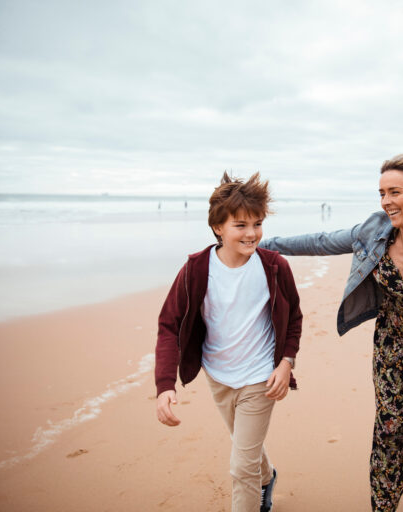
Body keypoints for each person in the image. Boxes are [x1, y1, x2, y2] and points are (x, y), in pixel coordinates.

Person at [261, 154, 403, 510]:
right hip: (393, 347)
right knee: (390, 428)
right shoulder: (374, 231)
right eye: (381, 193)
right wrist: (265, 244)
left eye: (395, 192)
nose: (386, 201)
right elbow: (321, 241)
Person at [155, 172, 302, 512]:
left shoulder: (274, 267)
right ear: (218, 227)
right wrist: (165, 384)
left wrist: (286, 362)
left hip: (261, 377)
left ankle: (256, 489)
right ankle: (268, 477)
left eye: (257, 224)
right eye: (240, 225)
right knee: (245, 448)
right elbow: (169, 325)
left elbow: (294, 318)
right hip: (218, 375)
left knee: (240, 468)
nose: (252, 234)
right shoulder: (195, 269)